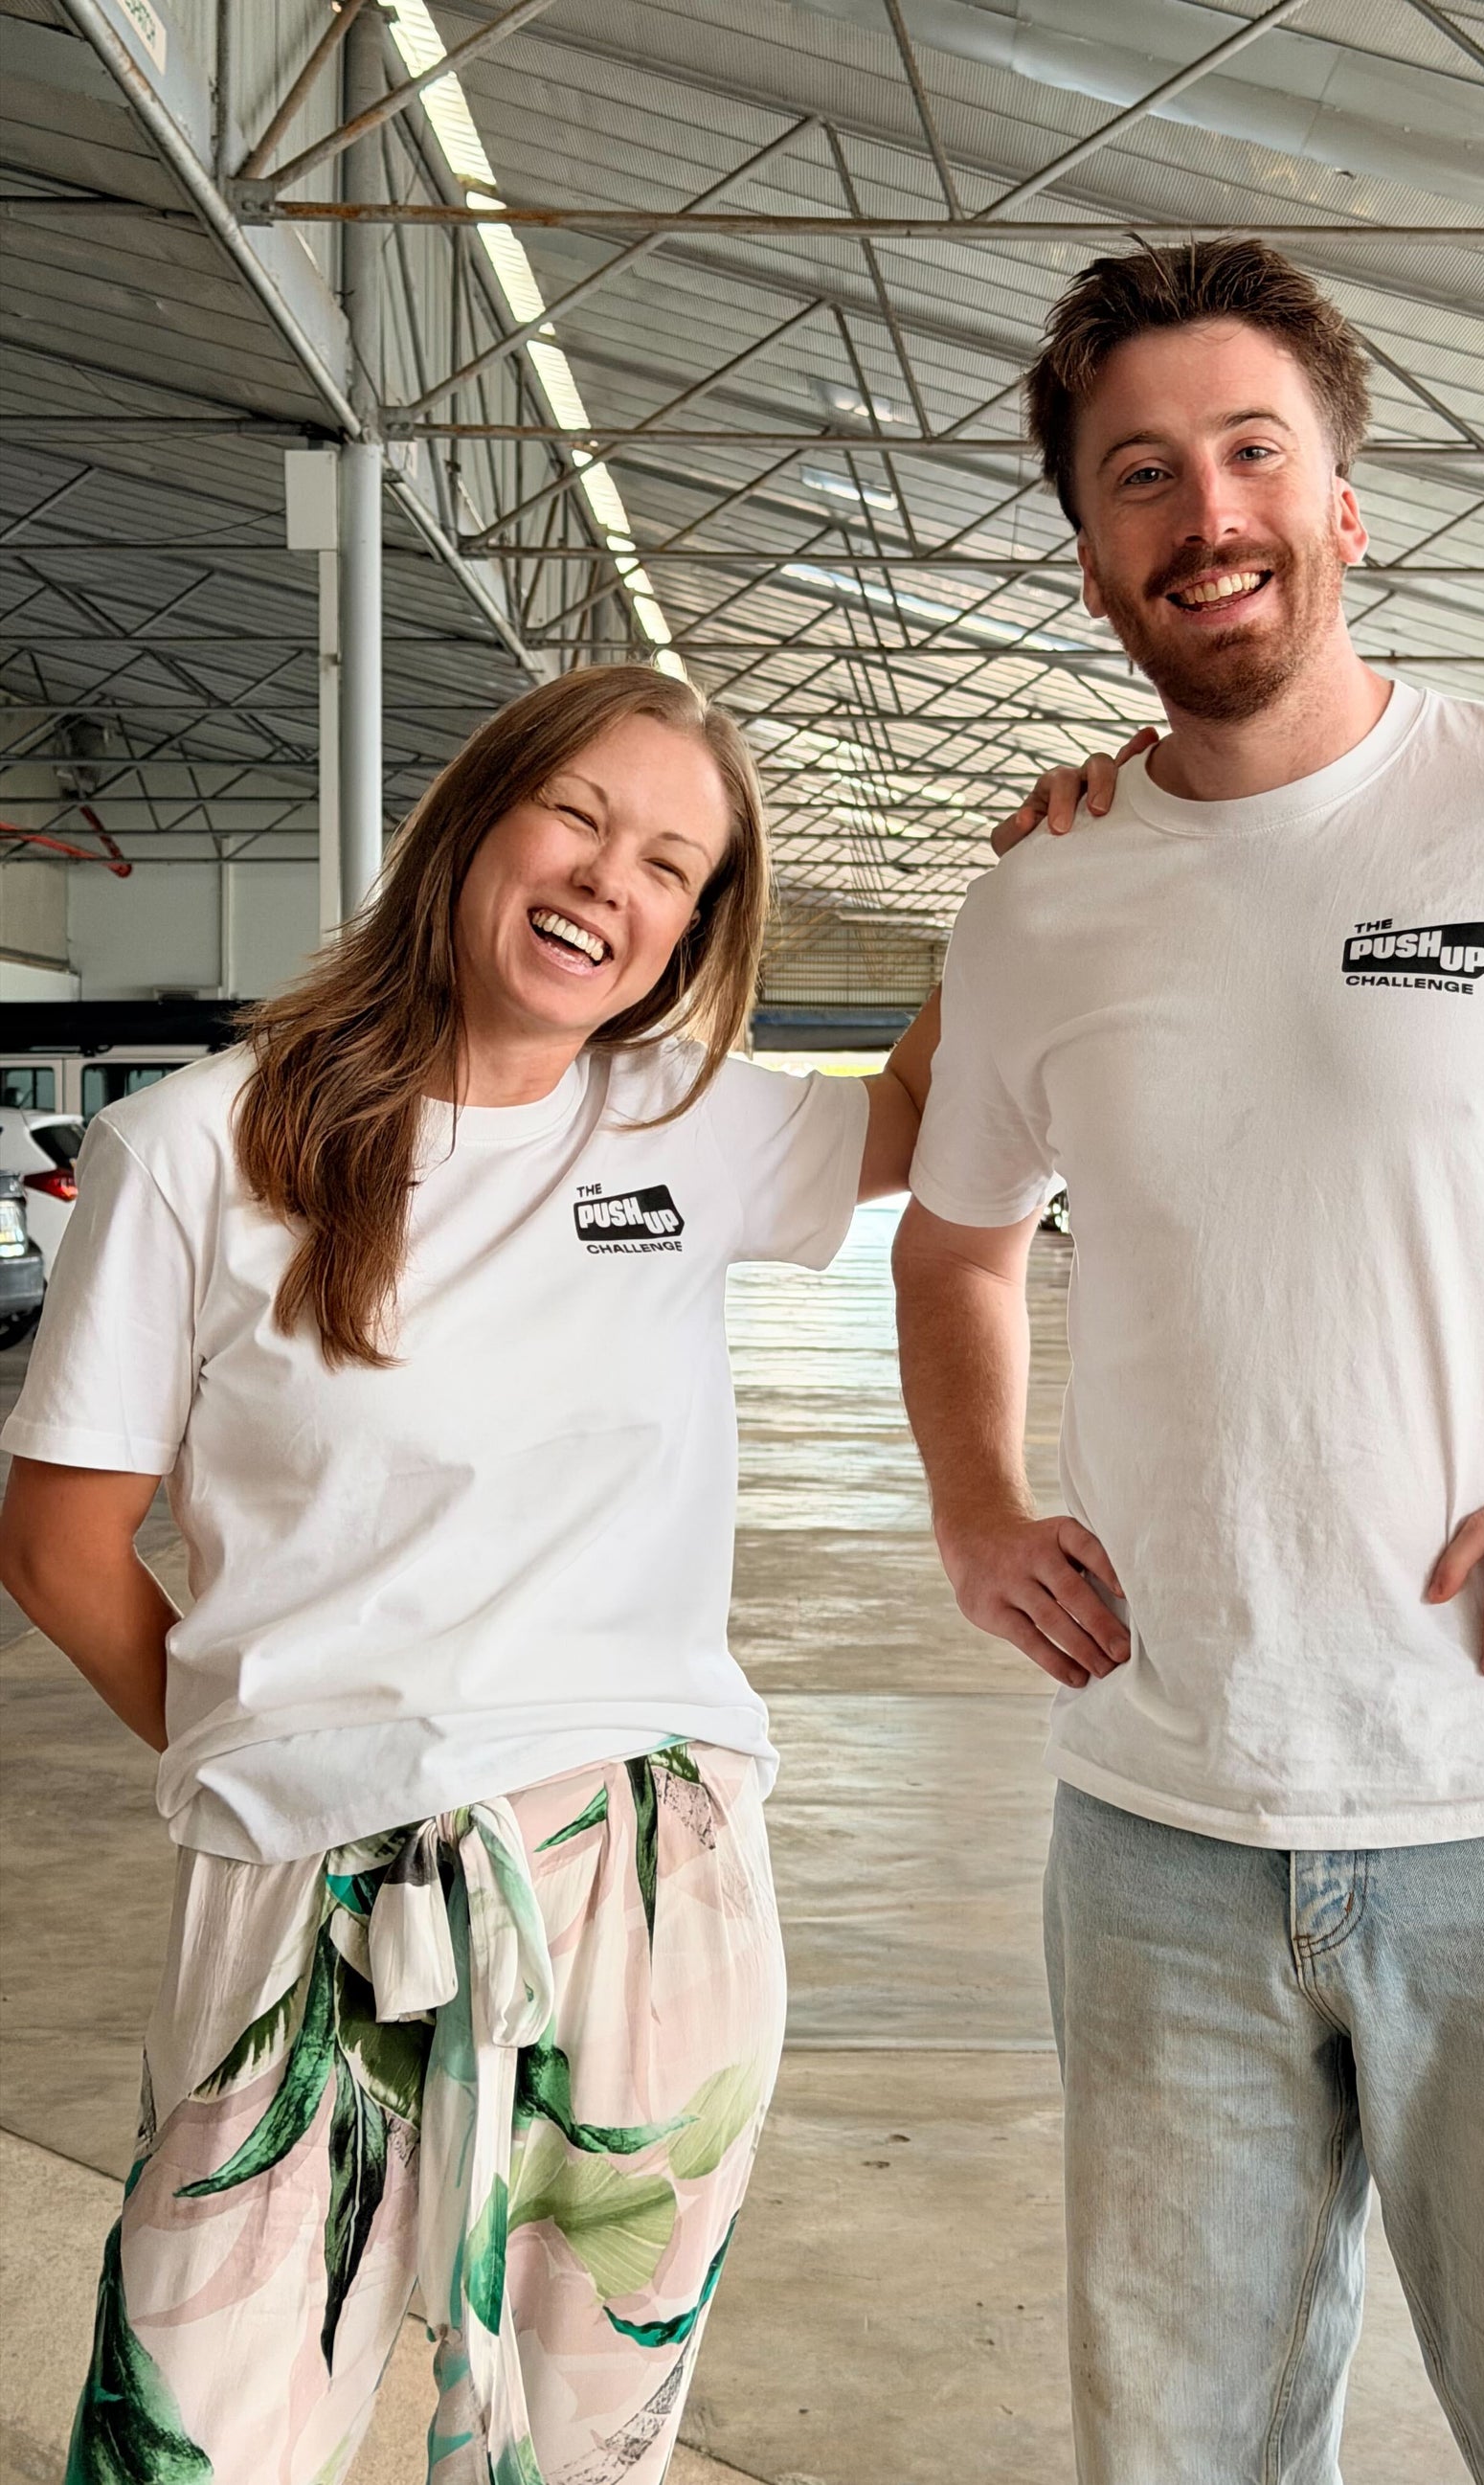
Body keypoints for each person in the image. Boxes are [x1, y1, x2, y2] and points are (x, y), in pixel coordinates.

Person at [894, 238, 1484, 2484]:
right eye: (1141, 473)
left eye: (1252, 451)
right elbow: (952, 1244)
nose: (1203, 510)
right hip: (1159, 1828)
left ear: (1344, 503)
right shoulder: (1039, 895)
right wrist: (973, 1506)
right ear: (1089, 555)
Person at [0, 664, 940, 2485]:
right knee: (201, 2437)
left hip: (645, 1868)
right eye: (578, 817)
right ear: (472, 824)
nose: (608, 882)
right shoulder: (194, 1145)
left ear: (693, 931)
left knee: (580, 2448)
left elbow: (946, 1101)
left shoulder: (690, 1120)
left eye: (669, 866)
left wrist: (1069, 859)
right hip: (310, 1874)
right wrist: (276, 1756)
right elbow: (56, 1544)